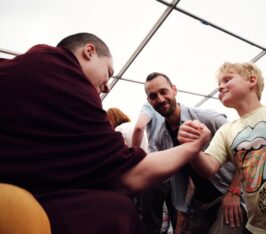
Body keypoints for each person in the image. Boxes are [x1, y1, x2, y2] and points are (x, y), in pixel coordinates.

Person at [0, 32, 210, 234]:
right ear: (89, 51)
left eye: (163, 92)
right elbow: (127, 176)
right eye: (109, 72)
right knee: (117, 210)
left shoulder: (22, 69)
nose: (108, 86)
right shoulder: (64, 75)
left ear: (175, 90)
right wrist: (194, 146)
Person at [178, 62, 266, 233]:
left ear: (252, 80)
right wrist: (194, 146)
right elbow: (208, 168)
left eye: (227, 80)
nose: (220, 87)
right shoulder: (226, 130)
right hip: (257, 228)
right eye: (219, 85)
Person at [144, 72, 246, 234]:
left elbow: (246, 150)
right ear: (149, 101)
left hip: (229, 194)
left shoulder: (208, 118)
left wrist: (234, 191)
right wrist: (182, 212)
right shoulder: (159, 139)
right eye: (153, 96)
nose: (160, 99)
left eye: (164, 92)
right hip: (201, 203)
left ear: (174, 90)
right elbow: (181, 177)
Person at [132, 103, 177, 234]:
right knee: (178, 219)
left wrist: (134, 155)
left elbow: (139, 127)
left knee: (151, 223)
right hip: (175, 170)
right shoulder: (174, 109)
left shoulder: (149, 106)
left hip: (155, 171)